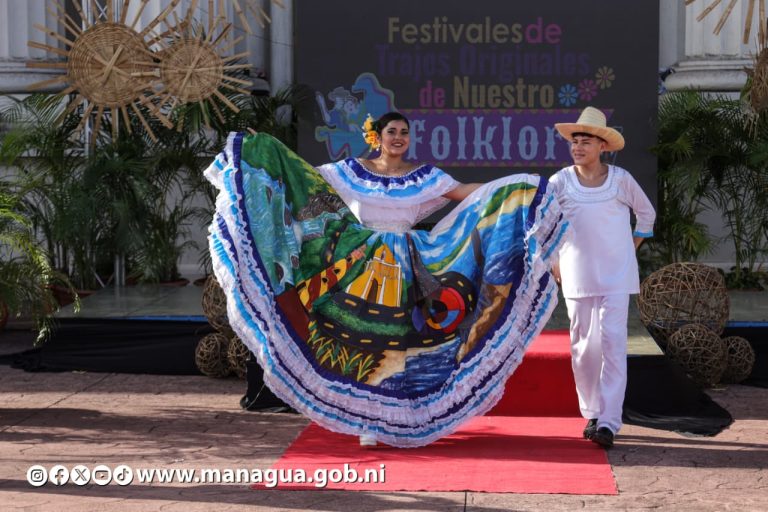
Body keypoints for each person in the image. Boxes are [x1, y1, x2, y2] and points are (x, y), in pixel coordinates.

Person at [205, 111, 568, 448]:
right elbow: (299, 176)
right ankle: (368, 422)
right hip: (362, 263)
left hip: (406, 265)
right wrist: (264, 147)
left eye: (404, 132)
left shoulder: (424, 176)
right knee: (366, 345)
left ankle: (401, 418)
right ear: (376, 137)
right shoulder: (351, 171)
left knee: (401, 343)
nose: (398, 137)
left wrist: (516, 186)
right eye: (392, 131)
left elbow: (466, 192)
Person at [550, 106, 656, 448]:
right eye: (574, 141)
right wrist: (554, 262)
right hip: (576, 274)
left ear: (602, 146)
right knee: (584, 348)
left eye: (586, 141)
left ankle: (609, 421)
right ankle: (592, 412)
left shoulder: (621, 179)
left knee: (613, 343)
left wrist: (630, 247)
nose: (578, 147)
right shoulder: (560, 181)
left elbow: (646, 214)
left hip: (616, 276)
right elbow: (543, 225)